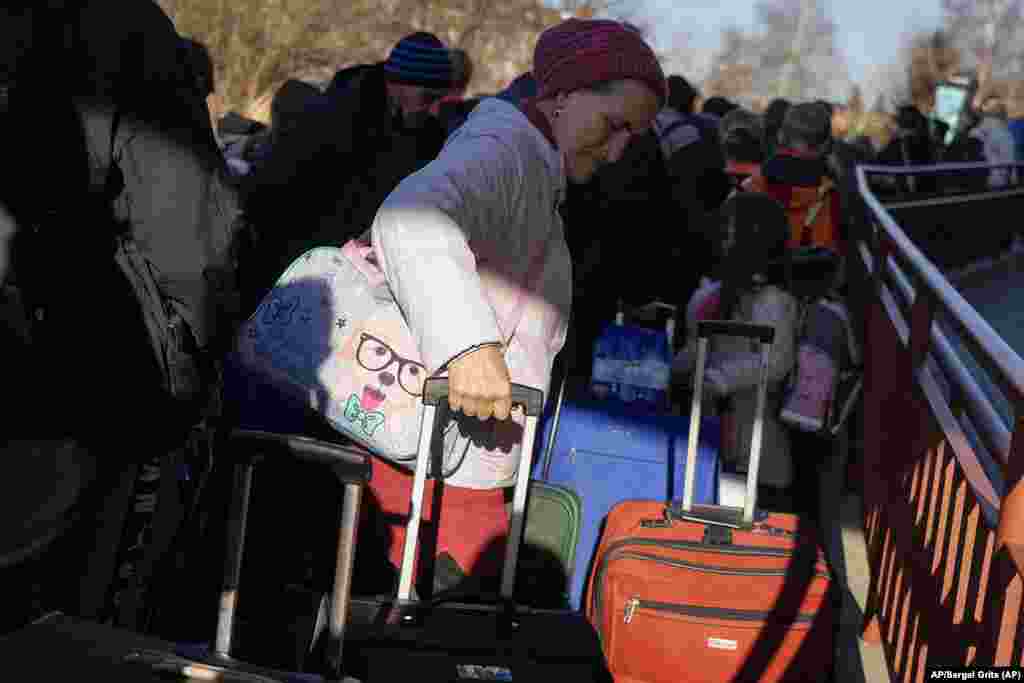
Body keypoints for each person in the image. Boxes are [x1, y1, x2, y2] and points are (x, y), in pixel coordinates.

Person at [365, 18, 666, 592]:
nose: (620, 148)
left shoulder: (531, 161)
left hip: (454, 451)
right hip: (430, 460)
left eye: (634, 135)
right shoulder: (504, 150)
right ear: (562, 96)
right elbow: (409, 221)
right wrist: (468, 349)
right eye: (613, 124)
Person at [673, 193, 799, 493]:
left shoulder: (773, 301)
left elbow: (777, 361)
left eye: (732, 233)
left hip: (756, 445)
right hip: (709, 434)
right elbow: (695, 346)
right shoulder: (709, 295)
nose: (723, 241)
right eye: (724, 232)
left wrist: (718, 379)